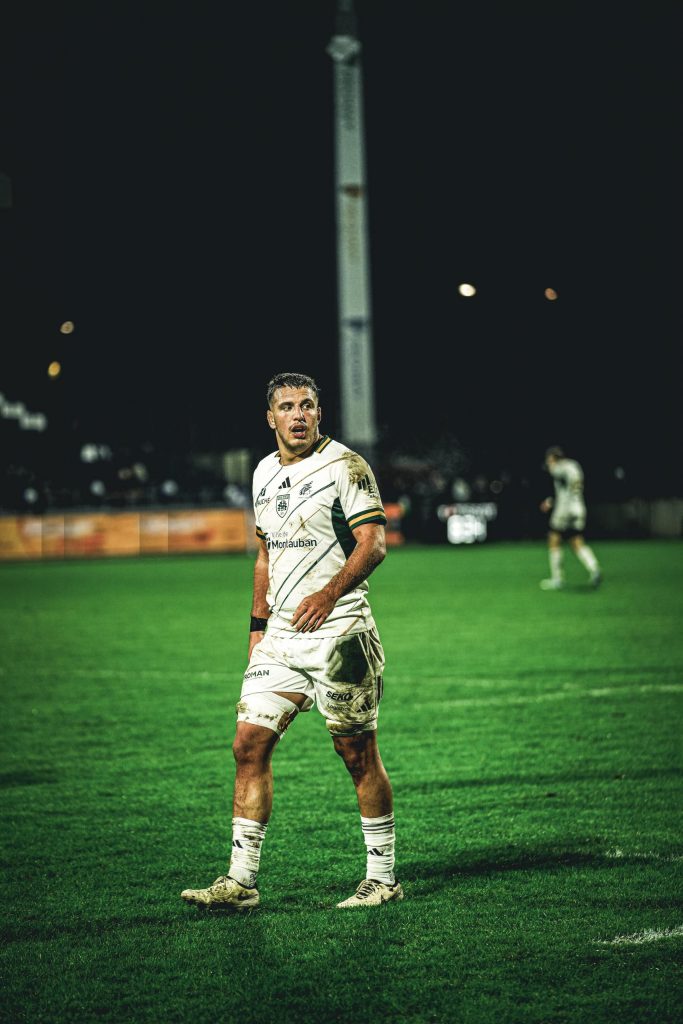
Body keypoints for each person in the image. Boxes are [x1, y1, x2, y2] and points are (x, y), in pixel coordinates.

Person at [181, 372, 402, 911]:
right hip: (280, 637)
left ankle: (382, 877)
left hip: (340, 631)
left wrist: (328, 594)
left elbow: (374, 544)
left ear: (319, 414)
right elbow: (265, 556)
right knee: (247, 745)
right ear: (270, 417)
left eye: (307, 406)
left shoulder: (345, 467)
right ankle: (241, 880)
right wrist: (258, 629)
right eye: (286, 407)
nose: (297, 415)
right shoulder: (262, 472)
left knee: (356, 752)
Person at [539, 445, 602, 590]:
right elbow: (567, 487)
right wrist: (551, 501)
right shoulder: (575, 465)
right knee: (576, 541)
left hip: (565, 508)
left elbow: (556, 475)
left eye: (549, 459)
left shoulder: (559, 467)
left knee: (554, 539)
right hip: (579, 507)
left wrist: (552, 465)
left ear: (554, 458)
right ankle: (594, 569)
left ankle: (557, 578)